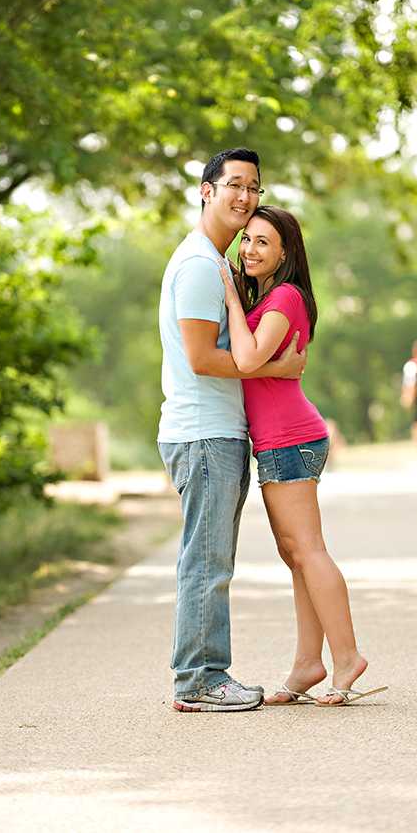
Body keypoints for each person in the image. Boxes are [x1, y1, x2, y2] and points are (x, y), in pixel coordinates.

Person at [219, 205, 387, 706]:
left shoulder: (285, 295)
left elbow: (247, 359)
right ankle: (307, 664)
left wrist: (229, 292)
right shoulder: (271, 296)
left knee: (308, 550)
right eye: (246, 239)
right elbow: (261, 363)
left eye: (262, 242)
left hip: (290, 439)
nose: (248, 249)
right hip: (281, 440)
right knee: (296, 556)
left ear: (285, 253)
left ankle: (347, 657)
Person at [158, 148, 307, 712]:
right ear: (206, 191)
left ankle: (201, 675)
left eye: (253, 187)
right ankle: (199, 680)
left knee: (210, 557)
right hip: (203, 433)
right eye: (234, 185)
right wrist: (276, 367)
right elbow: (200, 357)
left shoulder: (216, 261)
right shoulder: (200, 263)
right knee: (208, 560)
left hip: (212, 432)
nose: (245, 197)